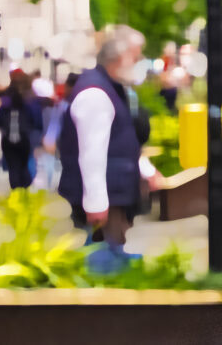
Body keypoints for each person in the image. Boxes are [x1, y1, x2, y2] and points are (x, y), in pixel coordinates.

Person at [58, 26, 158, 269]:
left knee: (109, 251)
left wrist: (146, 169)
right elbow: (91, 152)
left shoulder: (108, 86)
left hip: (113, 189)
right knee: (104, 258)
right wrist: (96, 202)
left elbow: (120, 139)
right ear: (121, 57)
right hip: (107, 195)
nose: (139, 62)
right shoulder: (96, 92)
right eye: (136, 56)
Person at [0, 71, 43, 189]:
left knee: (13, 167)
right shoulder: (28, 103)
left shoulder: (5, 105)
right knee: (23, 165)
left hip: (8, 140)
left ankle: (16, 190)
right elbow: (35, 121)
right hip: (24, 139)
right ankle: (24, 187)